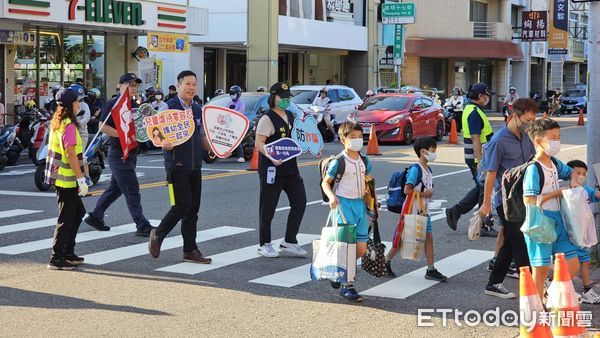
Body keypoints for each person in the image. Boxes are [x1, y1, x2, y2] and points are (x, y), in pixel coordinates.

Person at [148, 70, 218, 264]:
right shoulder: (168, 108)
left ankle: (190, 250)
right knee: (182, 205)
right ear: (179, 85)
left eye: (194, 84)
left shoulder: (197, 109)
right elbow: (156, 133)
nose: (191, 87)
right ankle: (158, 234)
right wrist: (164, 142)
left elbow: (201, 136)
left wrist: (214, 150)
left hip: (195, 164)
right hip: (176, 164)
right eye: (187, 84)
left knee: (193, 210)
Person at [479, 98, 537, 299]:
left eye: (533, 120)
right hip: (505, 201)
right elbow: (490, 174)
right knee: (520, 241)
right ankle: (532, 286)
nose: (530, 124)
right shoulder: (499, 141)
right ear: (514, 116)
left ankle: (493, 284)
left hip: (523, 199)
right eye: (527, 120)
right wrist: (486, 204)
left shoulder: (526, 136)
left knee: (511, 245)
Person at [84, 73, 154, 237]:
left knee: (116, 189)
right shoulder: (114, 104)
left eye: (135, 86)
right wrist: (123, 135)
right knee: (132, 189)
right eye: (129, 85)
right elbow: (102, 127)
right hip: (119, 153)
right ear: (120, 86)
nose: (133, 88)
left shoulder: (134, 104)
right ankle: (141, 224)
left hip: (130, 151)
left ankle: (96, 216)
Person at [522, 118, 579, 301]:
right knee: (540, 269)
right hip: (540, 222)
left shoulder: (554, 163)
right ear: (538, 141)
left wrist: (574, 181)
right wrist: (557, 193)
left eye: (558, 137)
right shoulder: (533, 168)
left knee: (572, 264)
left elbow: (570, 172)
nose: (557, 141)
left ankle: (551, 294)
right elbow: (529, 199)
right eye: (553, 138)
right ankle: (537, 310)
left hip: (558, 220)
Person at [321, 122, 374, 301]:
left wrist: (373, 205)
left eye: (360, 137)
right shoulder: (339, 161)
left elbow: (369, 184)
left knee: (360, 248)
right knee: (348, 248)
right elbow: (326, 182)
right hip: (344, 206)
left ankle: (337, 269)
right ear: (343, 140)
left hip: (360, 206)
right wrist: (331, 197)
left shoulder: (365, 160)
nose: (357, 140)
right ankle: (347, 286)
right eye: (353, 138)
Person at [254, 82, 307, 258]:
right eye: (281, 97)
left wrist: (312, 147)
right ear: (273, 98)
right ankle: (265, 244)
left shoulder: (291, 116)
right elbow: (259, 143)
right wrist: (270, 155)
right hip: (272, 169)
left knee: (300, 202)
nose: (285, 100)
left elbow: (299, 138)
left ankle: (290, 241)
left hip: (291, 169)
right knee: (268, 208)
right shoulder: (267, 118)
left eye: (287, 97)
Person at [384, 137, 448, 282]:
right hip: (412, 209)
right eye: (433, 149)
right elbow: (407, 190)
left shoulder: (428, 169)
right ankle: (386, 261)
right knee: (402, 240)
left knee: (428, 239)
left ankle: (431, 269)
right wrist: (426, 194)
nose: (434, 152)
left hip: (423, 210)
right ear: (423, 151)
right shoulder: (416, 169)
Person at [43, 88, 88, 270]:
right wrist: (81, 179)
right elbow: (70, 154)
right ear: (71, 105)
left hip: (60, 177)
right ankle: (56, 257)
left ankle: (68, 252)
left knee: (78, 213)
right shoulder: (68, 125)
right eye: (77, 102)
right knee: (67, 217)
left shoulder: (58, 122)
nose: (79, 104)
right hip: (67, 179)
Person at [445, 83, 497, 237]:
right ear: (480, 96)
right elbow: (475, 138)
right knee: (483, 190)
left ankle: (455, 212)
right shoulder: (474, 112)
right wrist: (481, 161)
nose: (488, 99)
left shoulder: (471, 109)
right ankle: (482, 225)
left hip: (479, 157)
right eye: (487, 96)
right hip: (479, 158)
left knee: (481, 188)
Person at [566, 160, 600, 304]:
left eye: (584, 174)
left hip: (583, 236)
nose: (581, 176)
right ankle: (555, 284)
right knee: (570, 265)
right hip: (568, 237)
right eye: (577, 173)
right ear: (569, 174)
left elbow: (596, 194)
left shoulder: (585, 190)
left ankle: (587, 290)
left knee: (585, 262)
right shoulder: (564, 191)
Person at [227, 85, 247, 163]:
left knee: (235, 139)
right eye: (231, 94)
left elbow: (240, 112)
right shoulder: (229, 103)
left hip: (237, 123)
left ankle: (241, 156)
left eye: (234, 93)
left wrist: (232, 113)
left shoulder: (241, 103)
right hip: (229, 124)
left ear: (238, 94)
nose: (232, 95)